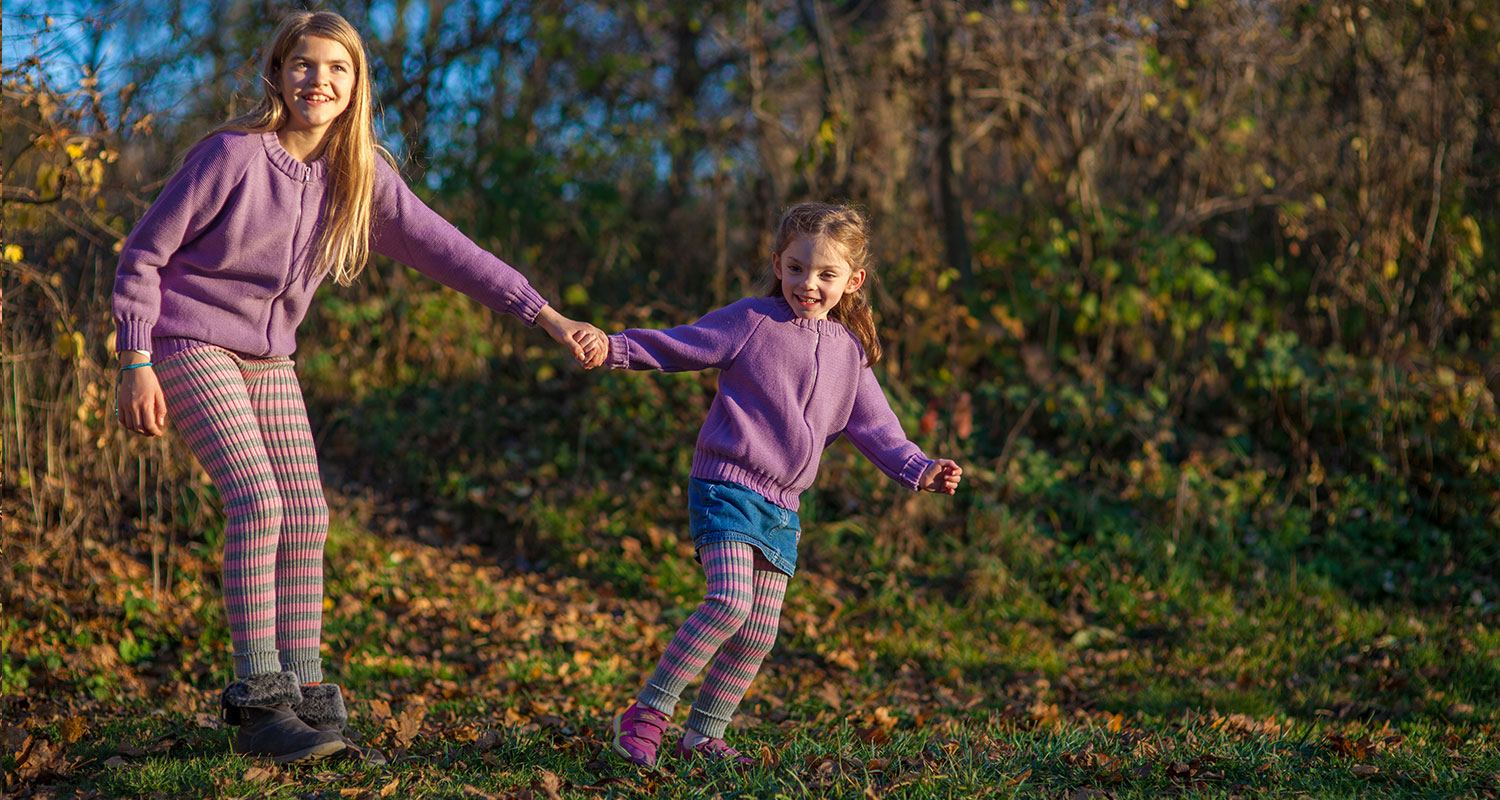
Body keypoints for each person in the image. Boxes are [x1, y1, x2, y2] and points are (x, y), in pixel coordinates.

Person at [111, 10, 603, 765]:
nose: (320, 80)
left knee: (307, 511)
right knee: (258, 499)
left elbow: (451, 251)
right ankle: (258, 703)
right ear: (278, 74)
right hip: (190, 339)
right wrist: (135, 358)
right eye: (304, 65)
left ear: (356, 83)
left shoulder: (362, 175)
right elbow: (144, 255)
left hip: (271, 358)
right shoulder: (231, 155)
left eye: (337, 69)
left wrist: (543, 314)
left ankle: (304, 700)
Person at [594, 202, 964, 767]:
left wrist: (919, 467)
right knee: (728, 602)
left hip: (782, 507)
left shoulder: (850, 353)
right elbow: (682, 343)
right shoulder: (752, 321)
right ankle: (646, 715)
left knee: (760, 631)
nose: (807, 284)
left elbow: (877, 427)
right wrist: (614, 348)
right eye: (795, 269)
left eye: (825, 274)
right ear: (777, 263)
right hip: (725, 485)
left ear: (853, 280)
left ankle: (704, 736)